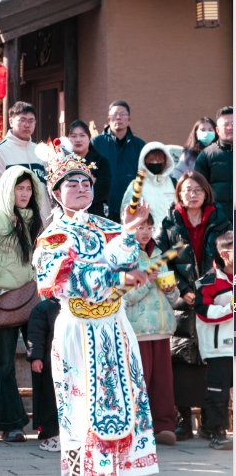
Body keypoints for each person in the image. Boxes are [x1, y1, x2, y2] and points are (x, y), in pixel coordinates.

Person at [32, 138, 157, 476]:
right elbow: (65, 280)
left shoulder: (108, 226)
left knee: (129, 400)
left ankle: (130, 470)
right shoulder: (52, 237)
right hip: (78, 330)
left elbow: (132, 263)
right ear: (57, 192)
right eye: (72, 183)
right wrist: (117, 273)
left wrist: (130, 233)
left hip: (117, 326)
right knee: (79, 409)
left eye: (86, 182)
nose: (81, 188)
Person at [154, 171, 231, 440]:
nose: (193, 194)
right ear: (179, 194)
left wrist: (208, 289)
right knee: (182, 361)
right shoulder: (169, 223)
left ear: (206, 192)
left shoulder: (221, 221)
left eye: (198, 189)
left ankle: (214, 423)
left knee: (214, 361)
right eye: (187, 189)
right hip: (182, 300)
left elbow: (226, 257)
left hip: (215, 298)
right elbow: (163, 261)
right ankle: (184, 422)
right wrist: (184, 289)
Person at [0, 166, 44, 442]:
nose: (24, 193)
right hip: (2, 300)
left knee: (42, 359)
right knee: (4, 365)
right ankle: (10, 425)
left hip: (34, 299)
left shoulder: (35, 219)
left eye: (28, 188)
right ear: (7, 189)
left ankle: (46, 422)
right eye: (19, 188)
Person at [122, 212, 178, 446]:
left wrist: (171, 290)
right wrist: (147, 282)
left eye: (149, 227)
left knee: (164, 380)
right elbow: (123, 298)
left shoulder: (158, 253)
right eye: (140, 227)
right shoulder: (124, 256)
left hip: (161, 327)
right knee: (139, 379)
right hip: (137, 330)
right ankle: (139, 427)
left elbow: (173, 297)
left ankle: (164, 426)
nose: (145, 232)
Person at [194, 230, 233, 451]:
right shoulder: (206, 282)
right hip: (220, 348)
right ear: (225, 253)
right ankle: (217, 432)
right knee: (218, 393)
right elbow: (204, 313)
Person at [0, 102, 50, 220]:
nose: (27, 125)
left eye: (31, 121)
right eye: (22, 120)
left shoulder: (41, 151)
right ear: (11, 122)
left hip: (44, 221)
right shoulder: (0, 150)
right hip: (15, 223)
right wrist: (10, 214)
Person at [92, 101, 147, 222]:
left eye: (122, 114)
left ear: (129, 119)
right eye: (114, 114)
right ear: (108, 119)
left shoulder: (140, 145)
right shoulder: (96, 143)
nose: (118, 117)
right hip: (102, 206)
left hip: (132, 206)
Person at [25, 295, 61, 452]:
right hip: (48, 364)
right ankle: (49, 435)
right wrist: (36, 358)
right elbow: (35, 336)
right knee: (48, 401)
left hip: (69, 364)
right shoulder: (43, 308)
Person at [120, 142, 177, 229]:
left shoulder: (174, 183)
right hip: (145, 237)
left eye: (158, 160)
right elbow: (125, 212)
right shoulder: (137, 184)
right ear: (144, 162)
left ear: (165, 161)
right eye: (151, 160)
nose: (155, 163)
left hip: (170, 237)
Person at [195, 106, 233, 222]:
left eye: (233, 123)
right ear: (217, 130)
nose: (230, 127)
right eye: (226, 124)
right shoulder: (206, 155)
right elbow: (198, 188)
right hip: (217, 219)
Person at [68, 120, 112, 218]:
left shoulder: (101, 161)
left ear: (89, 138)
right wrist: (89, 184)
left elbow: (104, 190)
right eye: (73, 136)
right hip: (70, 215)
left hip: (95, 214)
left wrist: (75, 188)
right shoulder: (64, 163)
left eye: (82, 135)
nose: (78, 139)